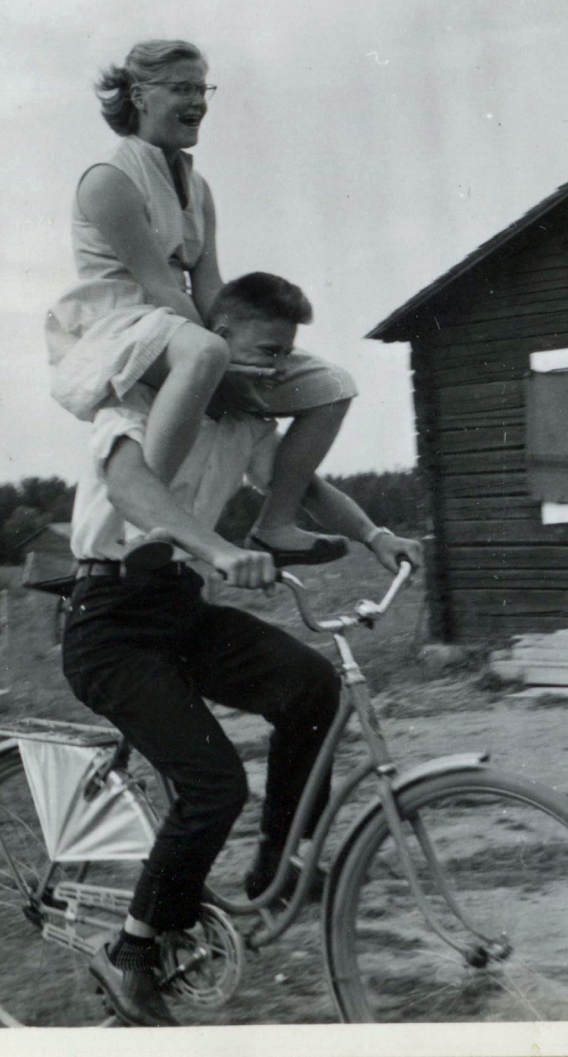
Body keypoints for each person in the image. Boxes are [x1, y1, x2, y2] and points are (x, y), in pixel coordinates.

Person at [62, 272, 424, 1027]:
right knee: (214, 782)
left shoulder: (244, 425)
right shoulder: (134, 403)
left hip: (181, 610)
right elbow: (135, 492)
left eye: (288, 357)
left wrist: (374, 534)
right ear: (213, 340)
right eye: (264, 352)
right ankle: (131, 951)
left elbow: (307, 488)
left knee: (312, 684)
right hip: (110, 621)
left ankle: (280, 864)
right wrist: (220, 548)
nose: (276, 370)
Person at [46, 38, 356, 568]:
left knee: (331, 386)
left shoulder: (198, 186)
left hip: (178, 329)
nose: (197, 101)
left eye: (201, 88)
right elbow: (161, 286)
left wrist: (244, 351)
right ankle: (156, 523)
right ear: (139, 95)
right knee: (208, 357)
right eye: (180, 88)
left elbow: (209, 287)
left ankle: (276, 524)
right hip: (119, 325)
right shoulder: (108, 181)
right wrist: (222, 358)